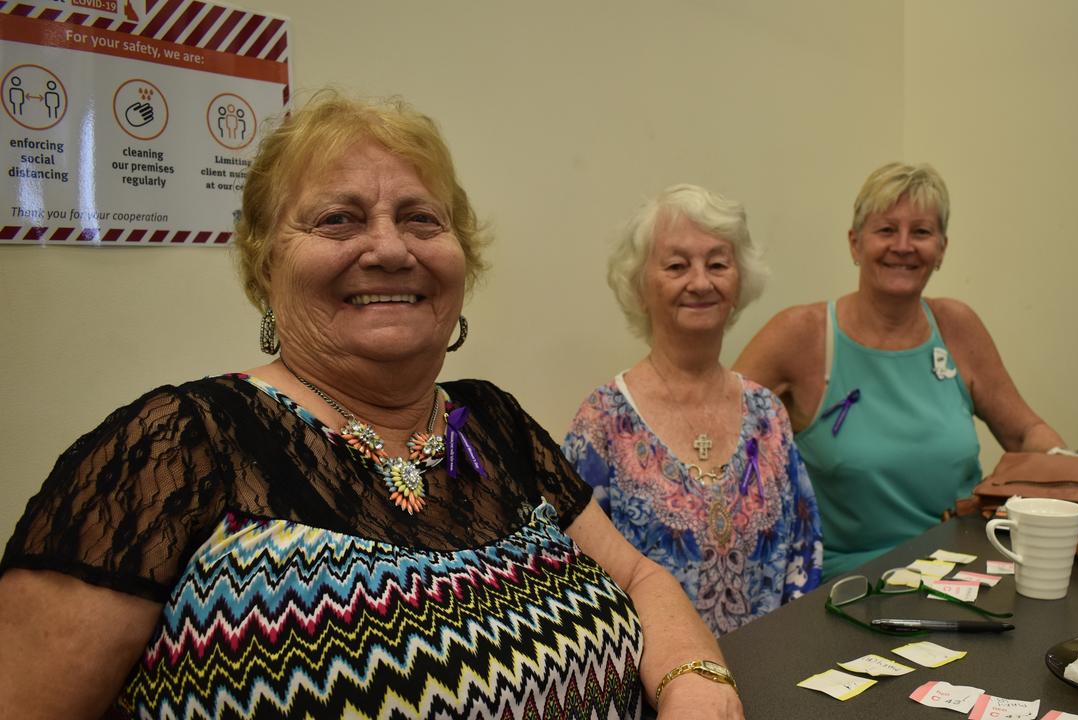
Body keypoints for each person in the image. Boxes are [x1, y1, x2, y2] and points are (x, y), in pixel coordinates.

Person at [0, 92, 743, 720]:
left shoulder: (493, 423)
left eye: (423, 219)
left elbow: (641, 578)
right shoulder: (176, 444)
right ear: (265, 263)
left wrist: (695, 684)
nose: (389, 249)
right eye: (338, 221)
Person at [734, 162, 1065, 580]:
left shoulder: (957, 326)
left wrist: (1072, 477)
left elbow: (1024, 434)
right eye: (886, 230)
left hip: (968, 570)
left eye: (922, 232)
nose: (904, 246)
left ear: (942, 248)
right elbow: (723, 431)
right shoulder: (803, 334)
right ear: (855, 244)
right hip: (851, 588)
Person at [563, 184, 822, 636]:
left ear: (739, 282)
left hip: (773, 675)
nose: (701, 282)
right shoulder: (602, 420)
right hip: (654, 689)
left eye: (718, 264)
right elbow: (575, 578)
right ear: (641, 286)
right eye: (677, 266)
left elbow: (804, 558)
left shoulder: (767, 414)